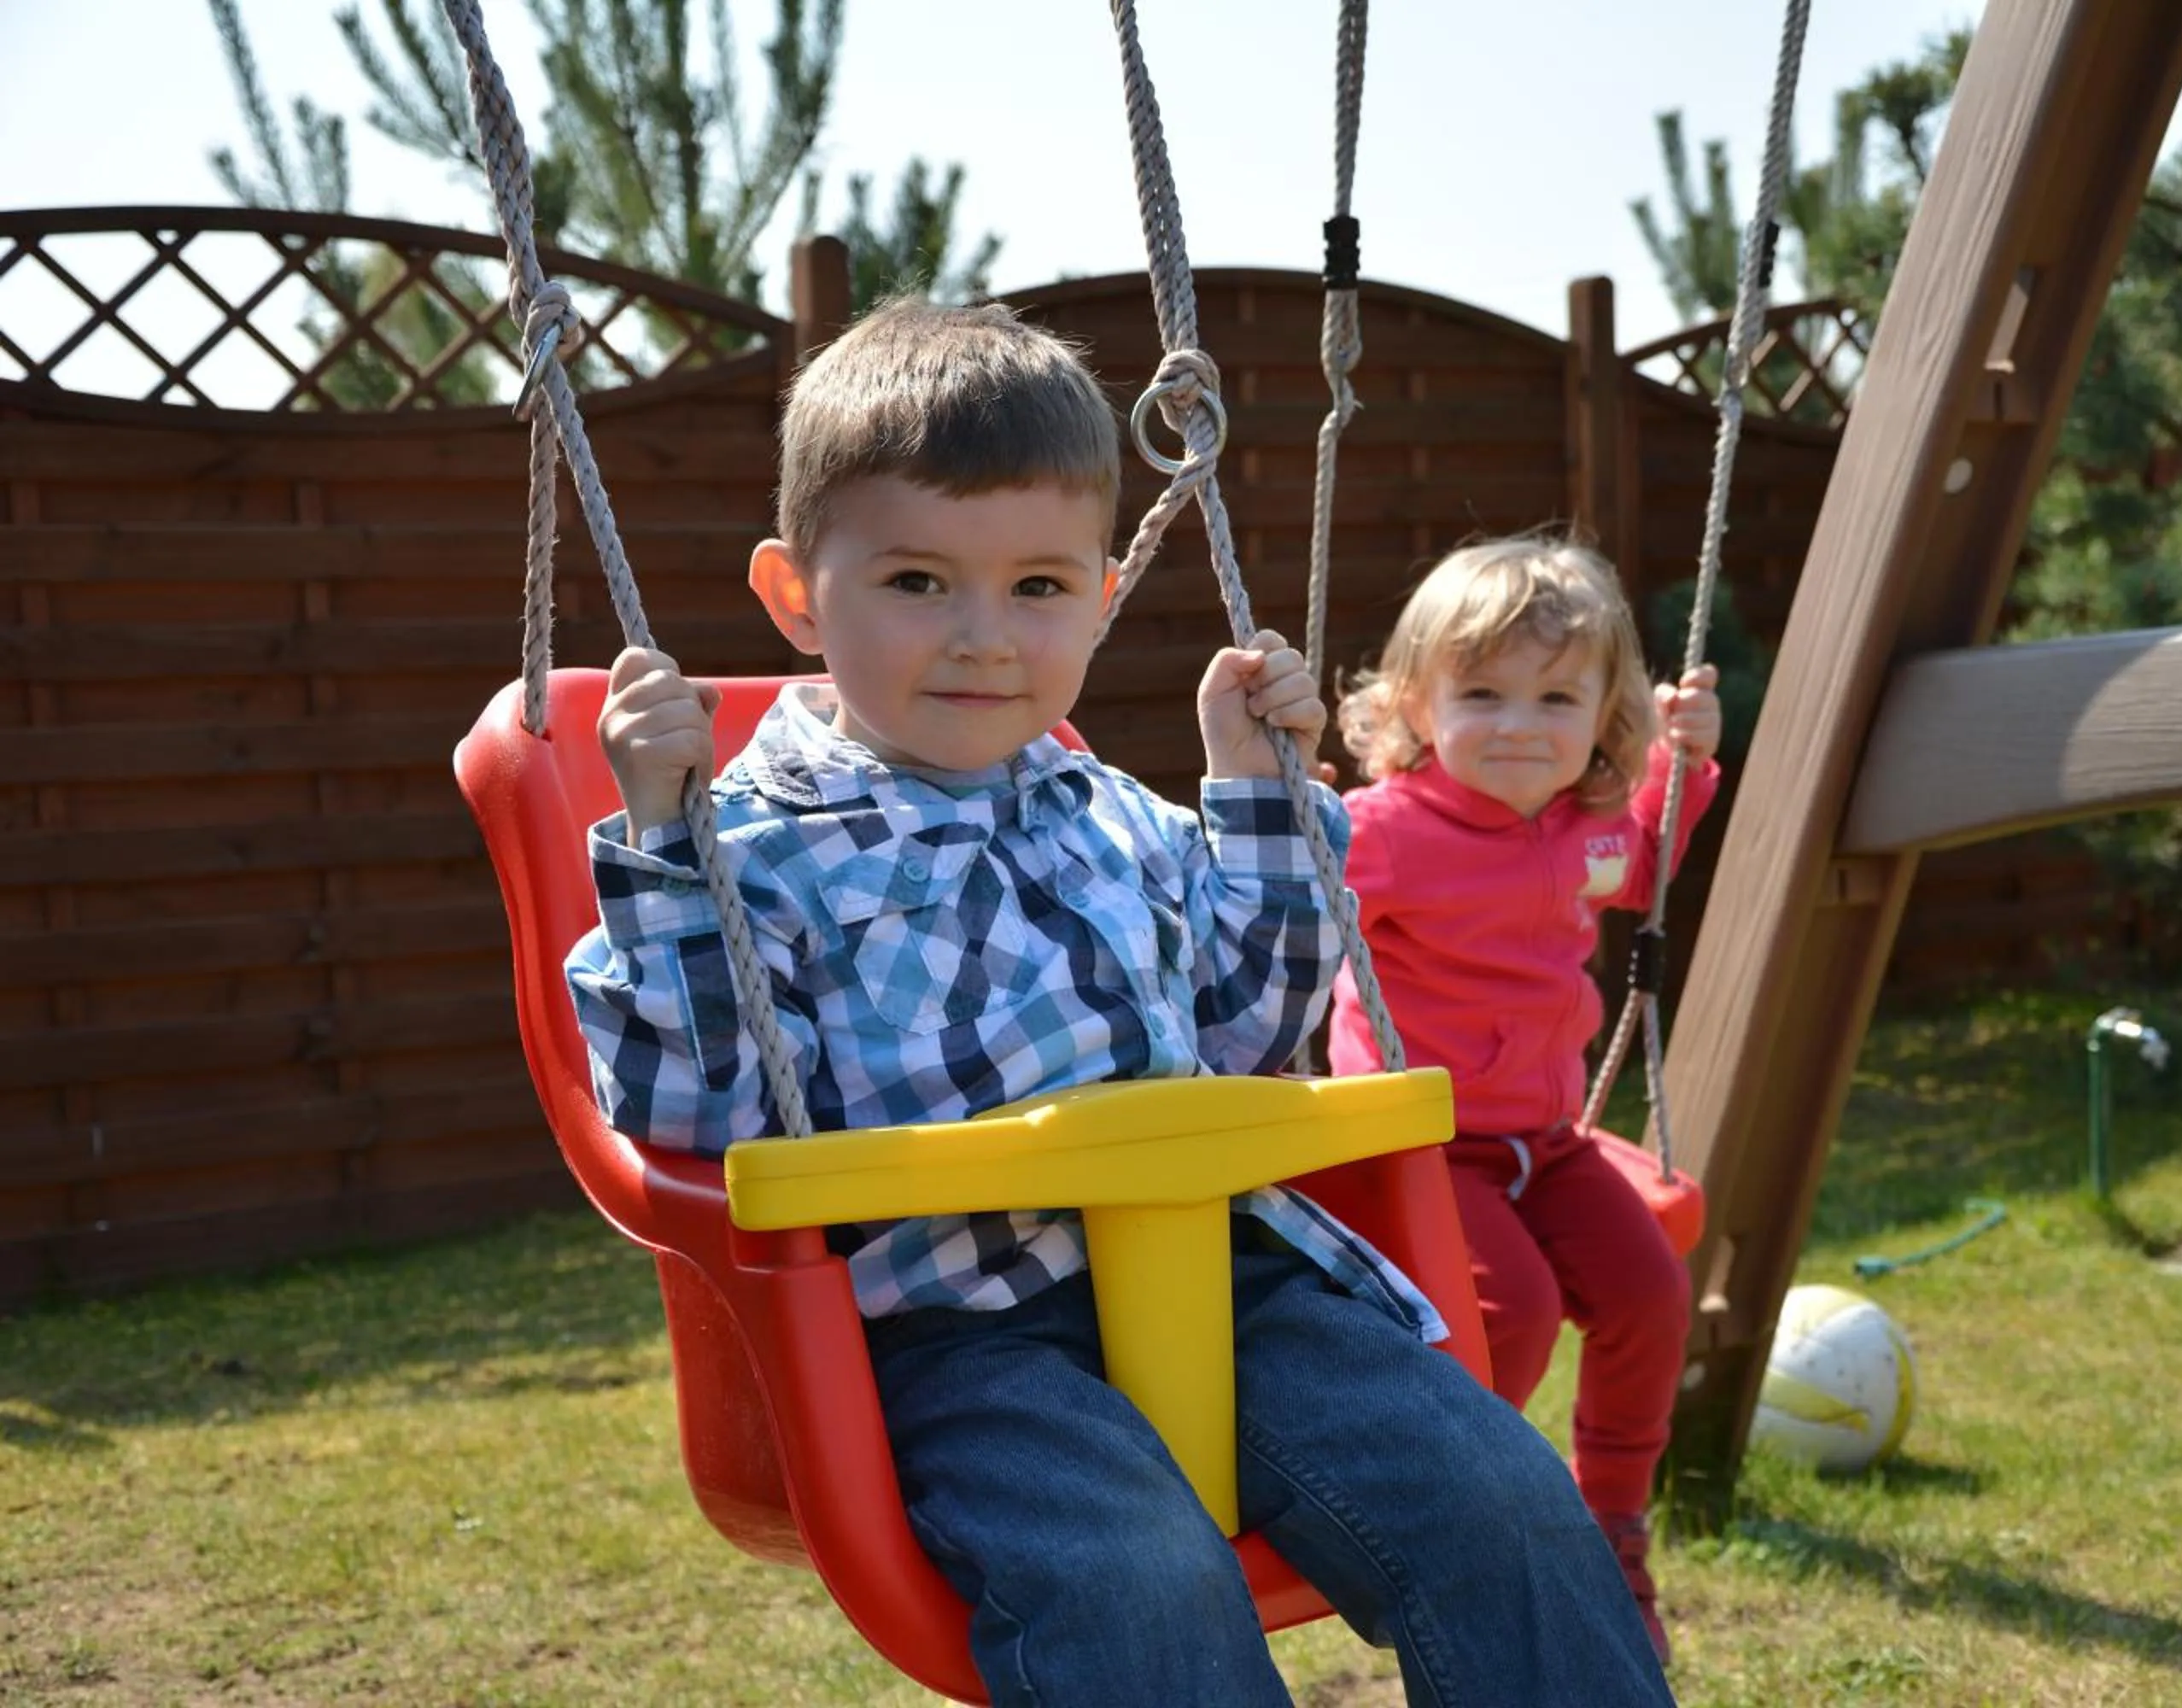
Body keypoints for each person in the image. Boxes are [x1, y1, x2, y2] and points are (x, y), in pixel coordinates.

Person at [562, 299, 1676, 1707]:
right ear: (795, 595)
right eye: (917, 582)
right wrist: (662, 844)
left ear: (1099, 590)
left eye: (1039, 587)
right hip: (961, 1340)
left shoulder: (1122, 818)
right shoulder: (747, 856)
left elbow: (1248, 1042)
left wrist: (1260, 803)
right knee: (1141, 1576)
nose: (984, 638)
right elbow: (688, 1115)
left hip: (1228, 1281)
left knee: (1501, 1495)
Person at [1326, 535, 1723, 1663]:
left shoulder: (1582, 832)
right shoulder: (1385, 833)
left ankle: (1609, 1523)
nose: (1520, 725)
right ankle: (1451, 1515)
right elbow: (1272, 912)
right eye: (1484, 694)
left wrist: (1680, 770)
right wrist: (1277, 810)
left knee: (1650, 1292)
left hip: (1546, 1142)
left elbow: (1640, 868)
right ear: (1417, 701)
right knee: (1515, 1315)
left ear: (1606, 718)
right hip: (1417, 1149)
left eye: (1558, 698)